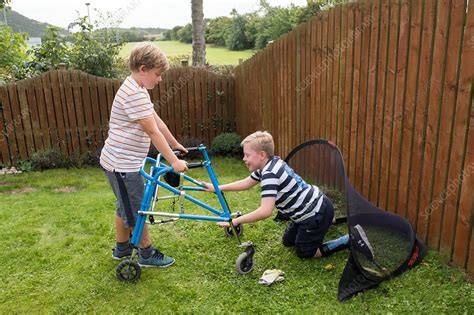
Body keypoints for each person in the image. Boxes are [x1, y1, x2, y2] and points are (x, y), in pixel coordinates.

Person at [100, 43, 188, 268]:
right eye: (157, 75)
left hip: (119, 162)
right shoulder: (134, 94)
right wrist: (174, 161)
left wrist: (175, 144)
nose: (160, 80)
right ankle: (146, 254)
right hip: (123, 165)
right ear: (142, 69)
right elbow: (152, 131)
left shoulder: (136, 88)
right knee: (138, 209)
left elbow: (157, 121)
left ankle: (122, 248)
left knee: (125, 206)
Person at [204, 131, 350, 259]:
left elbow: (265, 211)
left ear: (262, 155)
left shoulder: (270, 174)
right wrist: (216, 188)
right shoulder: (270, 164)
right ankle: (324, 223)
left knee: (305, 252)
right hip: (312, 208)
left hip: (316, 213)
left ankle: (347, 240)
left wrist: (236, 221)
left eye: (247, 155)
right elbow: (246, 183)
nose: (244, 159)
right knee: (288, 242)